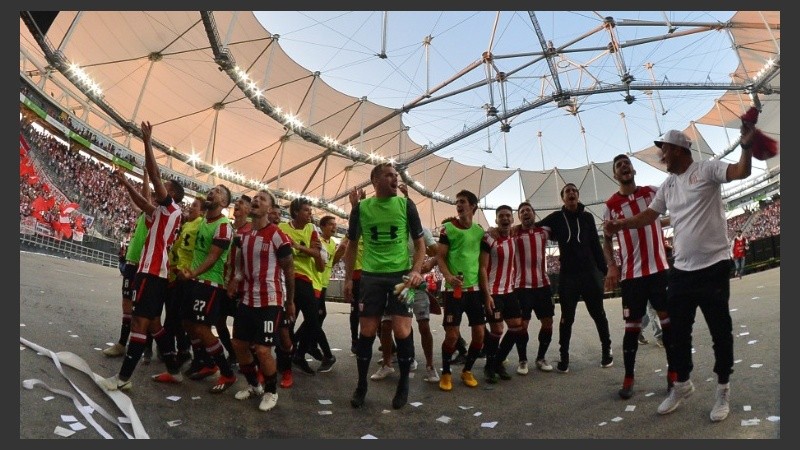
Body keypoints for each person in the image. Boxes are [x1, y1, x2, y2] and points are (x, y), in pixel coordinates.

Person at [604, 125, 757, 422]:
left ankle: (723, 390)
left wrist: (747, 147)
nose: (661, 154)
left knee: (719, 332)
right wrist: (621, 225)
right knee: (676, 333)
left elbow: (741, 171)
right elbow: (649, 216)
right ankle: (682, 384)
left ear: (677, 149)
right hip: (681, 269)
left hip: (713, 266)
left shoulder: (707, 169)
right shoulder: (668, 186)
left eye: (663, 149)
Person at [99, 120, 185, 391]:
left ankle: (123, 378)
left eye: (166, 188)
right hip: (151, 272)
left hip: (152, 273)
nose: (161, 189)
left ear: (172, 194)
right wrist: (126, 183)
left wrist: (147, 142)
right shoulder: (160, 212)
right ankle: (174, 370)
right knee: (155, 325)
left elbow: (155, 177)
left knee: (139, 323)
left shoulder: (172, 210)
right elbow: (142, 203)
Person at [344, 162, 425, 409]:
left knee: (402, 331)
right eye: (389, 175)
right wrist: (348, 278)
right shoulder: (361, 209)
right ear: (375, 180)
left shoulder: (406, 205)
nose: (395, 179)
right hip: (370, 277)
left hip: (401, 277)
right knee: (367, 331)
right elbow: (352, 245)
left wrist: (415, 271)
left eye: (396, 175)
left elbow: (420, 245)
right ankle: (361, 385)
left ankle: (403, 385)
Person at [601, 154, 674, 400]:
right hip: (632, 276)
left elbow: (672, 209)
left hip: (659, 270)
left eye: (627, 164)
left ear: (634, 170)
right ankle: (629, 377)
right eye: (619, 165)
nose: (624, 166)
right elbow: (606, 240)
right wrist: (612, 266)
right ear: (615, 175)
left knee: (668, 323)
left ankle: (673, 373)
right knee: (631, 328)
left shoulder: (652, 192)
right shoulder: (610, 205)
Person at [227, 189, 295, 412]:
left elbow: (289, 270)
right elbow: (240, 262)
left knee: (263, 350)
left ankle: (271, 391)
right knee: (239, 344)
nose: (256, 200)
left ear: (270, 209)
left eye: (262, 199)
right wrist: (236, 278)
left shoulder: (277, 235)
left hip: (270, 300)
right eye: (255, 198)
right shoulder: (244, 236)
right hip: (247, 298)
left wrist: (290, 302)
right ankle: (254, 385)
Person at [537, 183, 612, 373]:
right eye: (567, 191)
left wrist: (605, 270)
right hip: (568, 276)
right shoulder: (556, 217)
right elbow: (535, 227)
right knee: (566, 318)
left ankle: (607, 350)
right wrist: (516, 228)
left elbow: (595, 245)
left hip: (590, 273)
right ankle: (564, 356)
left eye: (574, 190)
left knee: (599, 314)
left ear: (578, 195)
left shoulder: (587, 217)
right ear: (563, 198)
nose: (571, 193)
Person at [170, 183, 237, 393]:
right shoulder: (203, 222)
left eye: (218, 192)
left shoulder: (224, 226)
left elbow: (213, 257)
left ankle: (227, 372)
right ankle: (206, 362)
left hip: (209, 283)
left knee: (201, 328)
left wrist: (193, 273)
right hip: (194, 280)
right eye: (212, 189)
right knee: (187, 322)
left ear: (224, 202)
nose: (212, 192)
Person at [370, 182, 440, 383]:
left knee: (423, 324)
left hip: (414, 285)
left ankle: (430, 366)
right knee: (387, 325)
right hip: (395, 283)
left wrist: (427, 265)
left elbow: (438, 253)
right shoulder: (393, 229)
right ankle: (388, 364)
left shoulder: (423, 231)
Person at [436, 189, 486, 391]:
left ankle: (467, 370)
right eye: (457, 202)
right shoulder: (447, 229)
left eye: (463, 201)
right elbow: (440, 257)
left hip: (474, 291)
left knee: (480, 335)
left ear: (473, 206)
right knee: (452, 336)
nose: (458, 205)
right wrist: (448, 277)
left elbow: (484, 261)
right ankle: (446, 372)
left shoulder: (480, 231)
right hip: (453, 291)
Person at [278, 197, 325, 376]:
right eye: (306, 210)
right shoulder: (282, 228)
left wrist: (297, 246)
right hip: (286, 279)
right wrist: (307, 250)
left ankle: (298, 354)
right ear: (296, 212)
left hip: (305, 279)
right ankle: (285, 361)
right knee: (288, 323)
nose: (310, 213)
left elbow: (316, 253)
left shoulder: (311, 228)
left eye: (310, 211)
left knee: (314, 320)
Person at [479, 205, 523, 383]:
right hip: (493, 291)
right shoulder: (489, 238)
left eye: (508, 216)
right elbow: (482, 267)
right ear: (496, 220)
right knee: (497, 329)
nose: (505, 218)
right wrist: (486, 295)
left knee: (517, 327)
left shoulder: (514, 234)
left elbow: (528, 224)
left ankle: (497, 362)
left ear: (512, 219)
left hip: (509, 291)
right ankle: (489, 366)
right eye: (501, 216)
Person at [510, 201, 555, 375]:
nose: (526, 213)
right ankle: (522, 360)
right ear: (519, 217)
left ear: (534, 214)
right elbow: (495, 233)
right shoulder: (513, 233)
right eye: (522, 211)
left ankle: (541, 358)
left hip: (543, 285)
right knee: (522, 325)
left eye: (528, 210)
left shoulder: (544, 231)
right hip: (522, 287)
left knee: (548, 323)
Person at [166, 195, 207, 367]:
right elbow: (178, 249)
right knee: (176, 318)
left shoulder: (201, 225)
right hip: (179, 275)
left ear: (202, 212)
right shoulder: (187, 225)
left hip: (188, 277)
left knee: (184, 319)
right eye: (191, 205)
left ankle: (194, 354)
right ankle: (183, 350)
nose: (191, 207)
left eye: (195, 206)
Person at [295, 215, 338, 372]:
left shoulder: (332, 243)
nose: (334, 227)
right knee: (313, 319)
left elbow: (329, 263)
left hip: (321, 284)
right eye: (331, 224)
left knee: (313, 319)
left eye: (335, 224)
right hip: (310, 283)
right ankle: (323, 353)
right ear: (322, 226)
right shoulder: (316, 240)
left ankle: (302, 347)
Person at [218, 194, 253, 370]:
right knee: (218, 321)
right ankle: (232, 353)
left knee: (241, 327)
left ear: (248, 210)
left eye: (242, 203)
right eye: (236, 203)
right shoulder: (229, 228)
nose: (237, 205)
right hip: (224, 282)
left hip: (242, 287)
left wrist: (238, 280)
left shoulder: (251, 231)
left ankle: (245, 358)